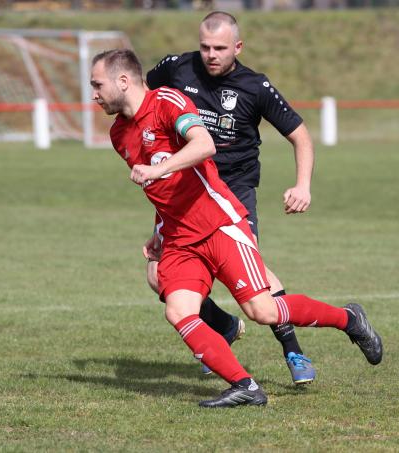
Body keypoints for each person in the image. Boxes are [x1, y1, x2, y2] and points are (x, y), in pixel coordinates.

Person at [90, 48, 383, 408]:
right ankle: (245, 386)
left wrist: (158, 169)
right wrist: (161, 232)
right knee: (178, 310)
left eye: (97, 84)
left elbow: (204, 144)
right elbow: (163, 193)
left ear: (123, 80)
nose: (94, 94)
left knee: (262, 311)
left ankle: (349, 319)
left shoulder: (167, 101)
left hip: (219, 224)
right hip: (181, 238)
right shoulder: (119, 133)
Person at [144, 11, 318, 384]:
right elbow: (145, 101)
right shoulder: (177, 68)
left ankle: (292, 349)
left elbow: (300, 135)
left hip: (232, 193)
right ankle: (222, 326)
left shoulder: (254, 86)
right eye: (205, 46)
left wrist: (302, 185)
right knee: (158, 275)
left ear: (237, 47)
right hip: (185, 193)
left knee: (252, 275)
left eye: (220, 48)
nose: (211, 54)